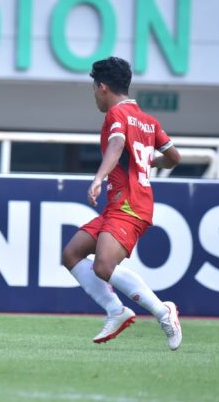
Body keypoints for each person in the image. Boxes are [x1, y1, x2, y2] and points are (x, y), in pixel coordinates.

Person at [61, 57, 183, 350]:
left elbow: (116, 145)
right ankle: (116, 310)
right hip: (120, 204)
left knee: (104, 265)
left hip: (130, 205)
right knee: (72, 254)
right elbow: (174, 158)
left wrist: (98, 178)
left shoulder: (116, 115)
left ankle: (163, 312)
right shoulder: (148, 120)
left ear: (102, 87)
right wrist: (144, 162)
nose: (94, 95)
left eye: (94, 88)